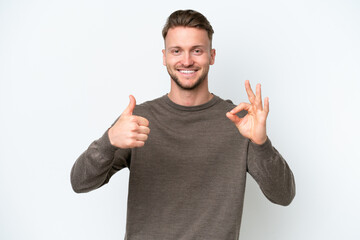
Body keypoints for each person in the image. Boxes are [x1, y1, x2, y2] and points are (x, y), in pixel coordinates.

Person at [71, 9, 295, 240]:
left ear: (212, 55)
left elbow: (283, 195)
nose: (186, 60)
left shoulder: (238, 122)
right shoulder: (138, 119)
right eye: (176, 51)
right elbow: (80, 183)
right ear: (165, 56)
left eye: (197, 51)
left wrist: (261, 143)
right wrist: (108, 141)